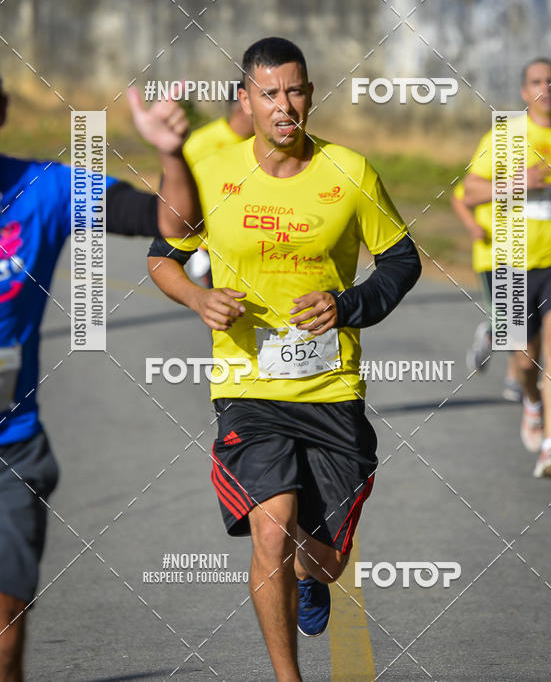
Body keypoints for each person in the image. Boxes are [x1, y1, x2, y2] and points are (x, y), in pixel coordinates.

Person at [148, 37, 421, 681]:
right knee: (271, 527)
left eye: (294, 91)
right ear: (245, 100)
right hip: (247, 386)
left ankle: (309, 574)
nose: (283, 106)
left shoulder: (350, 171)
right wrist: (199, 298)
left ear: (310, 94)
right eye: (268, 93)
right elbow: (163, 256)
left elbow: (402, 260)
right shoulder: (211, 171)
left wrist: (347, 305)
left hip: (331, 388)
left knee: (323, 560)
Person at [0, 81, 199, 682]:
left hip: (10, 450)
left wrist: (169, 154)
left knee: (4, 630)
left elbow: (176, 223)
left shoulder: (45, 190)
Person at [464, 58, 551, 478]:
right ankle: (533, 401)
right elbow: (469, 192)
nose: (546, 88)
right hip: (509, 260)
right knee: (525, 362)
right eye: (536, 81)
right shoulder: (504, 136)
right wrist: (517, 183)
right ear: (525, 92)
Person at [451, 181, 520, 400]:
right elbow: (459, 198)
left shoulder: (535, 170)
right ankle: (491, 336)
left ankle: (514, 377)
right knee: (507, 316)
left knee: (519, 316)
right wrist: (472, 225)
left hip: (525, 254)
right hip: (491, 255)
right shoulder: (487, 169)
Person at [183, 90, 254, 286]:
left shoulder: (263, 144)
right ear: (242, 107)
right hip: (211, 246)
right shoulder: (201, 143)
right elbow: (175, 192)